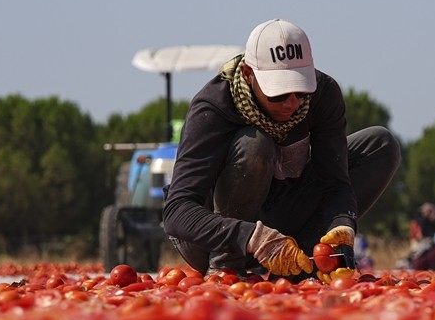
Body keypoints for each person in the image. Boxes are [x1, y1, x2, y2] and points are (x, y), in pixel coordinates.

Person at [162, 18, 401, 283]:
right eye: (278, 93)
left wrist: (341, 226)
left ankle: (303, 265)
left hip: (283, 224)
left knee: (380, 145)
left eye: (300, 90)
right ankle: (227, 268)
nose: (292, 103)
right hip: (213, 235)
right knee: (256, 143)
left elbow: (335, 183)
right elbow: (177, 212)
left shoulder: (323, 96)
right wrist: (251, 237)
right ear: (248, 75)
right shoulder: (213, 107)